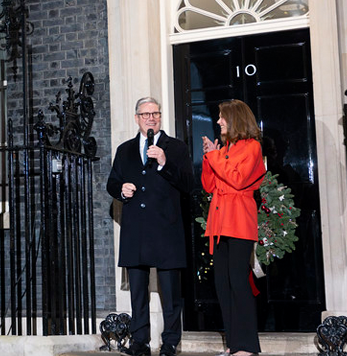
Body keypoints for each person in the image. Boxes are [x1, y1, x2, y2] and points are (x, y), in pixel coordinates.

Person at [107, 97, 193, 356]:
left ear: (160, 116)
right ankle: (139, 340)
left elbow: (189, 184)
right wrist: (121, 190)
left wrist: (165, 162)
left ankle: (169, 343)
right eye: (145, 114)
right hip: (136, 230)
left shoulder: (175, 147)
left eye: (155, 113)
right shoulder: (125, 149)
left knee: (170, 294)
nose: (151, 118)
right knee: (138, 294)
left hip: (167, 230)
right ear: (137, 118)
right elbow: (112, 183)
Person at [201, 99, 266, 356]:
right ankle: (234, 344)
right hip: (219, 221)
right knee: (222, 284)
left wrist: (215, 157)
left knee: (239, 282)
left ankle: (248, 346)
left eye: (221, 117)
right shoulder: (225, 148)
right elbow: (209, 185)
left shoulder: (252, 147)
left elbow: (237, 180)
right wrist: (210, 156)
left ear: (234, 119)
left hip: (238, 220)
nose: (218, 121)